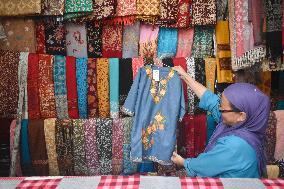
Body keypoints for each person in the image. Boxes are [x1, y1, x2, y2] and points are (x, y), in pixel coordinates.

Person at [171, 66, 270, 178]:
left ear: (241, 115)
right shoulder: (240, 123)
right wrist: (185, 76)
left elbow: (205, 165)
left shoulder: (235, 145)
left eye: (222, 108)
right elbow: (210, 100)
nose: (218, 109)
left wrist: (183, 162)